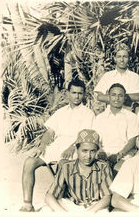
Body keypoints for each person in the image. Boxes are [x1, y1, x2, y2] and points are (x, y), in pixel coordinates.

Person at [20, 78, 96, 212]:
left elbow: (85, 137)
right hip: (56, 145)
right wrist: (42, 145)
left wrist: (72, 147)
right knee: (29, 162)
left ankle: (58, 203)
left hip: (75, 146)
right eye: (73, 92)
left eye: (80, 93)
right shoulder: (61, 111)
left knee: (63, 164)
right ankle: (27, 204)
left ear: (84, 94)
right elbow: (50, 132)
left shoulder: (88, 113)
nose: (77, 96)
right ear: (68, 93)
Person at [44, 129, 113, 213]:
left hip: (95, 206)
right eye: (84, 151)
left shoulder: (103, 167)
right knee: (46, 209)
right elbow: (50, 195)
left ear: (97, 151)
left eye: (92, 151)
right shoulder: (67, 167)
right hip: (71, 205)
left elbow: (107, 197)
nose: (88, 156)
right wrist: (61, 212)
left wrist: (88, 213)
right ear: (77, 150)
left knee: (104, 212)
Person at [93, 83, 138, 174]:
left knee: (118, 171)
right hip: (104, 154)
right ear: (108, 97)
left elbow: (132, 140)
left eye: (120, 95)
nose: (117, 98)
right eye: (113, 95)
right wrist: (101, 151)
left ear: (124, 98)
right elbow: (96, 138)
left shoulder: (131, 117)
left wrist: (120, 154)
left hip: (124, 155)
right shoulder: (100, 118)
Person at [94, 43, 139, 110]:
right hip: (111, 114)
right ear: (115, 59)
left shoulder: (134, 77)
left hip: (129, 114)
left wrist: (112, 97)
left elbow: (137, 97)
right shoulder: (108, 76)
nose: (122, 60)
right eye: (119, 57)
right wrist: (125, 98)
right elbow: (99, 96)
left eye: (125, 57)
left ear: (129, 58)